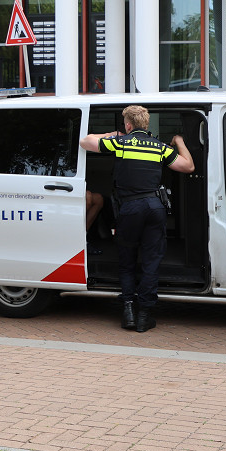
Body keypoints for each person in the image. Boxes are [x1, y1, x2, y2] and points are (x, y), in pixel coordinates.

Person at [79, 106, 195, 333]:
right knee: (151, 261)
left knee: (127, 259)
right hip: (154, 206)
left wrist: (112, 134)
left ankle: (129, 312)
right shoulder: (160, 147)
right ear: (146, 125)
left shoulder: (121, 143)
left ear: (128, 125)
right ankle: (145, 316)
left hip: (130, 208)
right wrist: (179, 141)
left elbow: (85, 141)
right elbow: (188, 166)